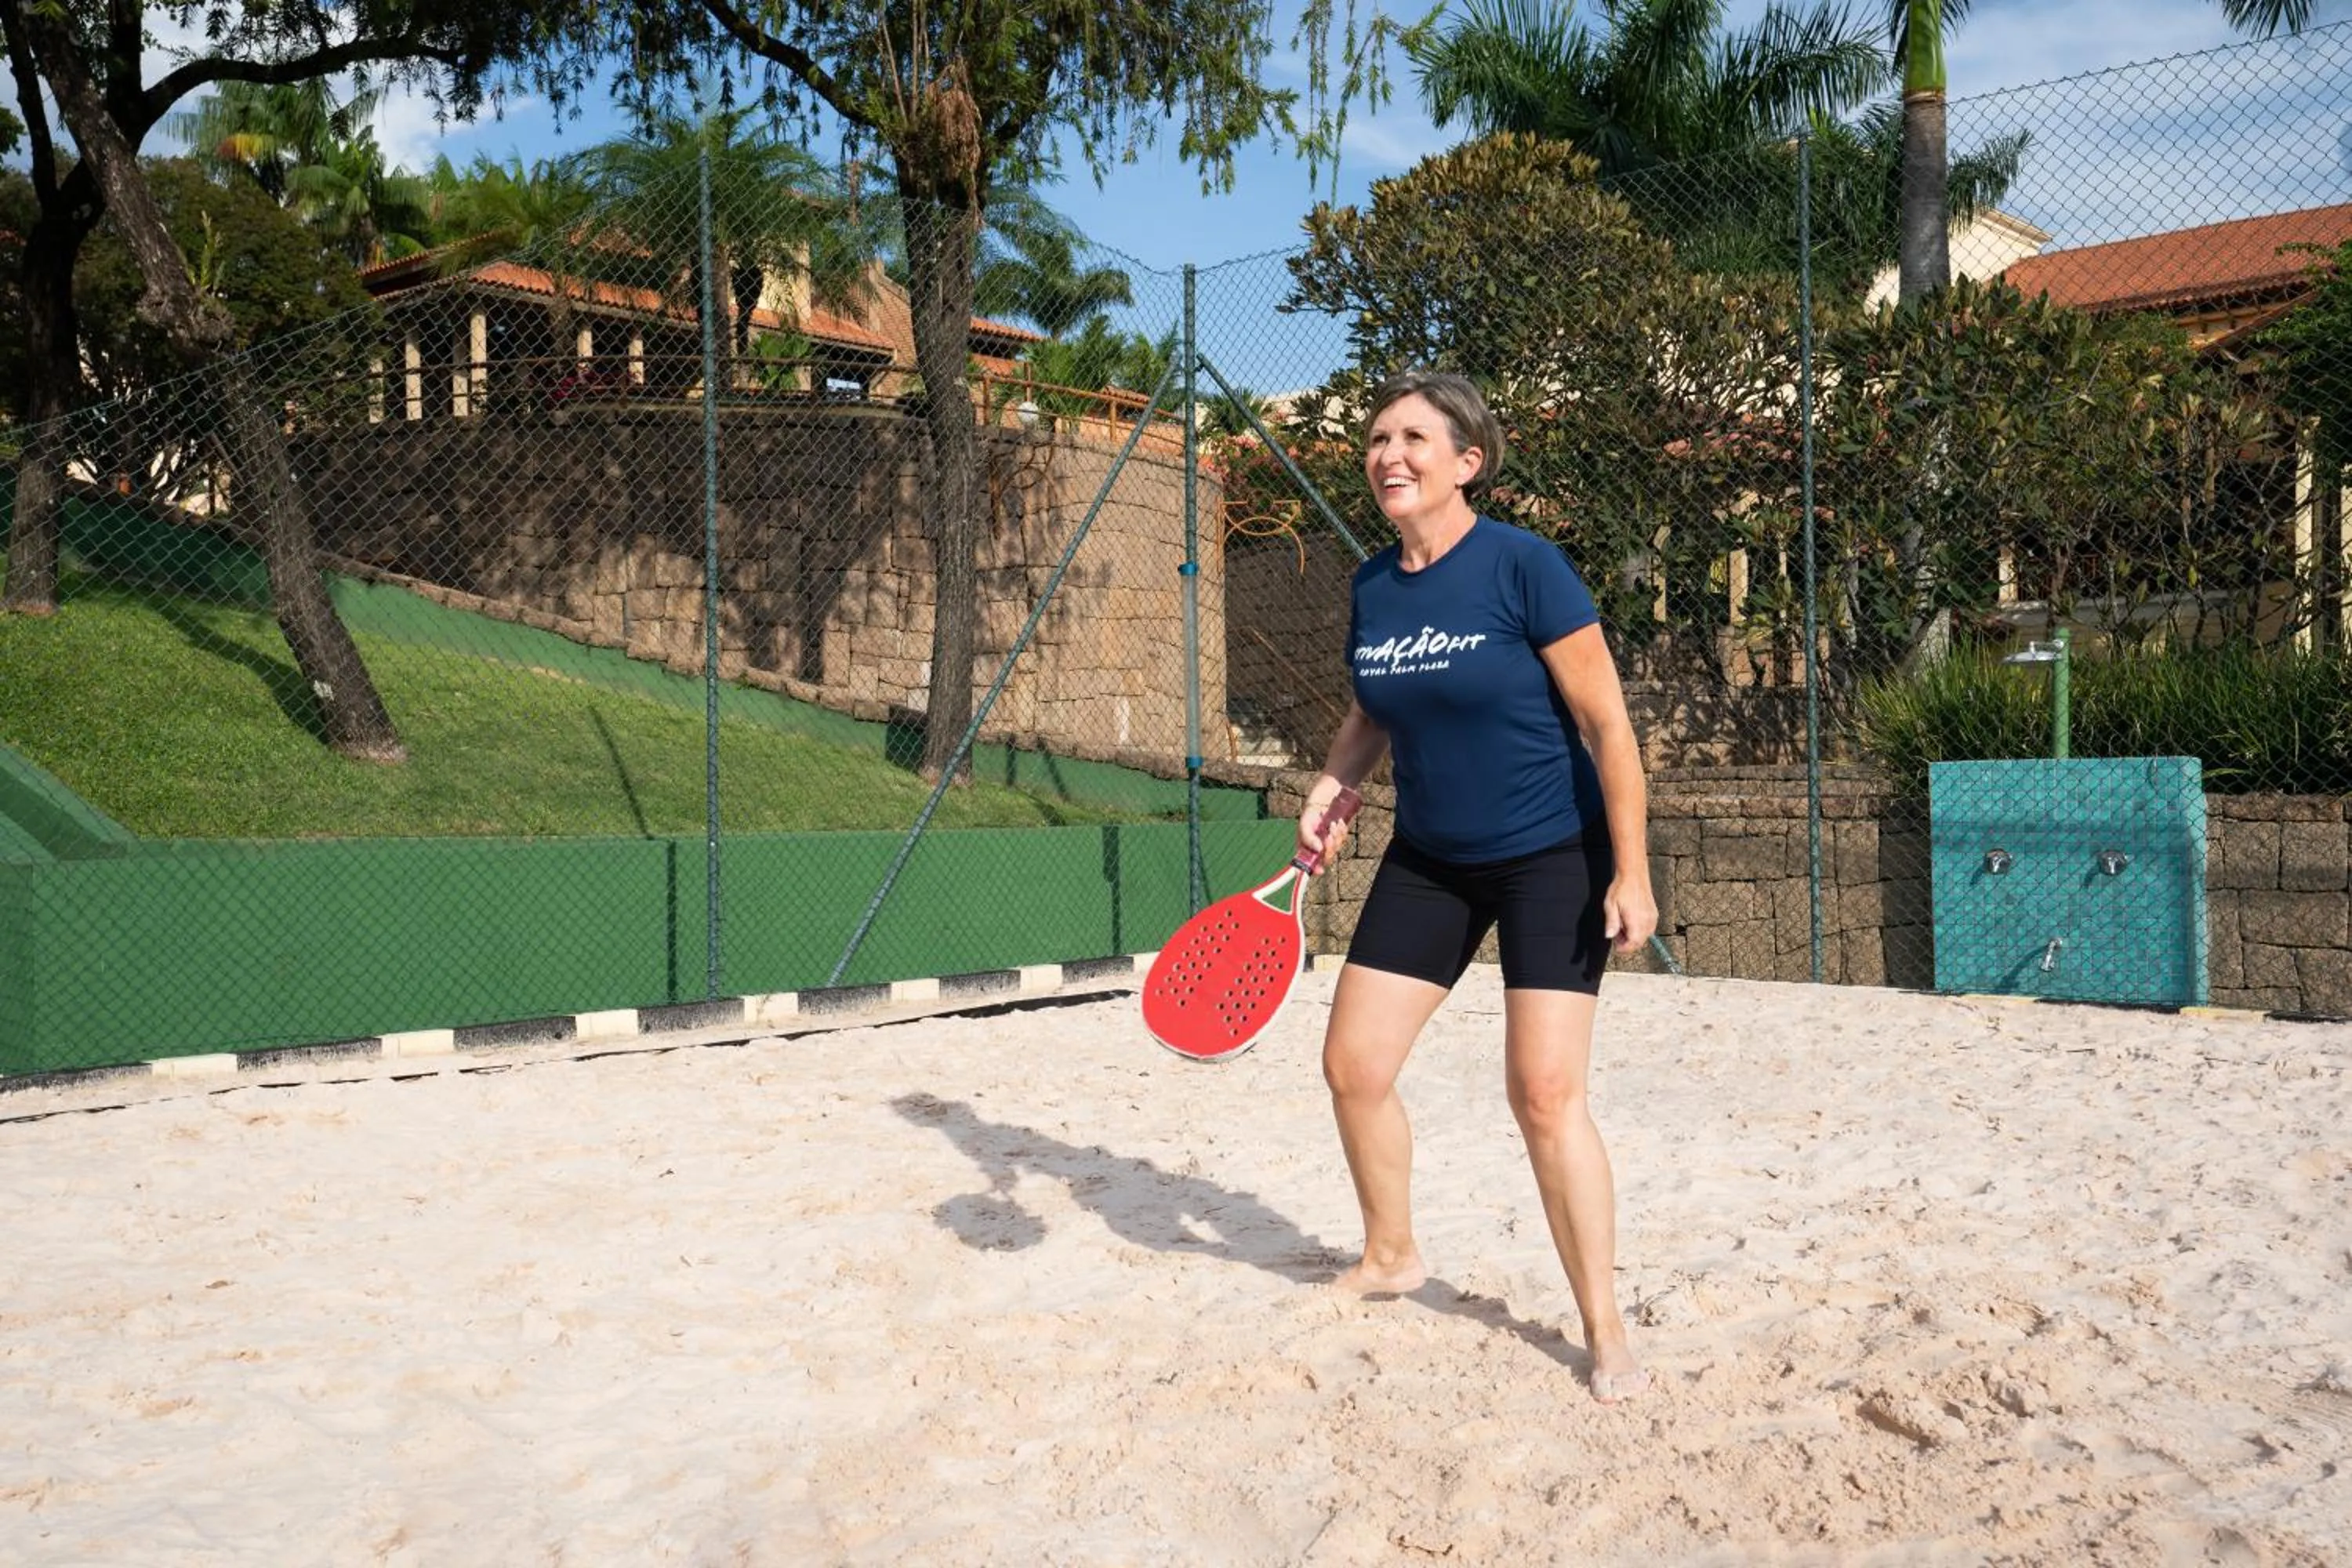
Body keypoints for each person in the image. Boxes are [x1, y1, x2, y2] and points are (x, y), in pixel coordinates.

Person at [1296, 368, 1658, 1405]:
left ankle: (1603, 1324)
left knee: (1544, 1095)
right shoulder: (1373, 585)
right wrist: (1334, 780)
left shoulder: (1525, 567)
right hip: (1433, 855)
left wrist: (1631, 871)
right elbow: (1374, 711)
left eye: (1414, 437)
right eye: (1375, 438)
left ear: (1468, 462)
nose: (1388, 454)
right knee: (1354, 1066)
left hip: (1554, 852)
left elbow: (1608, 726)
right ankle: (1392, 1256)